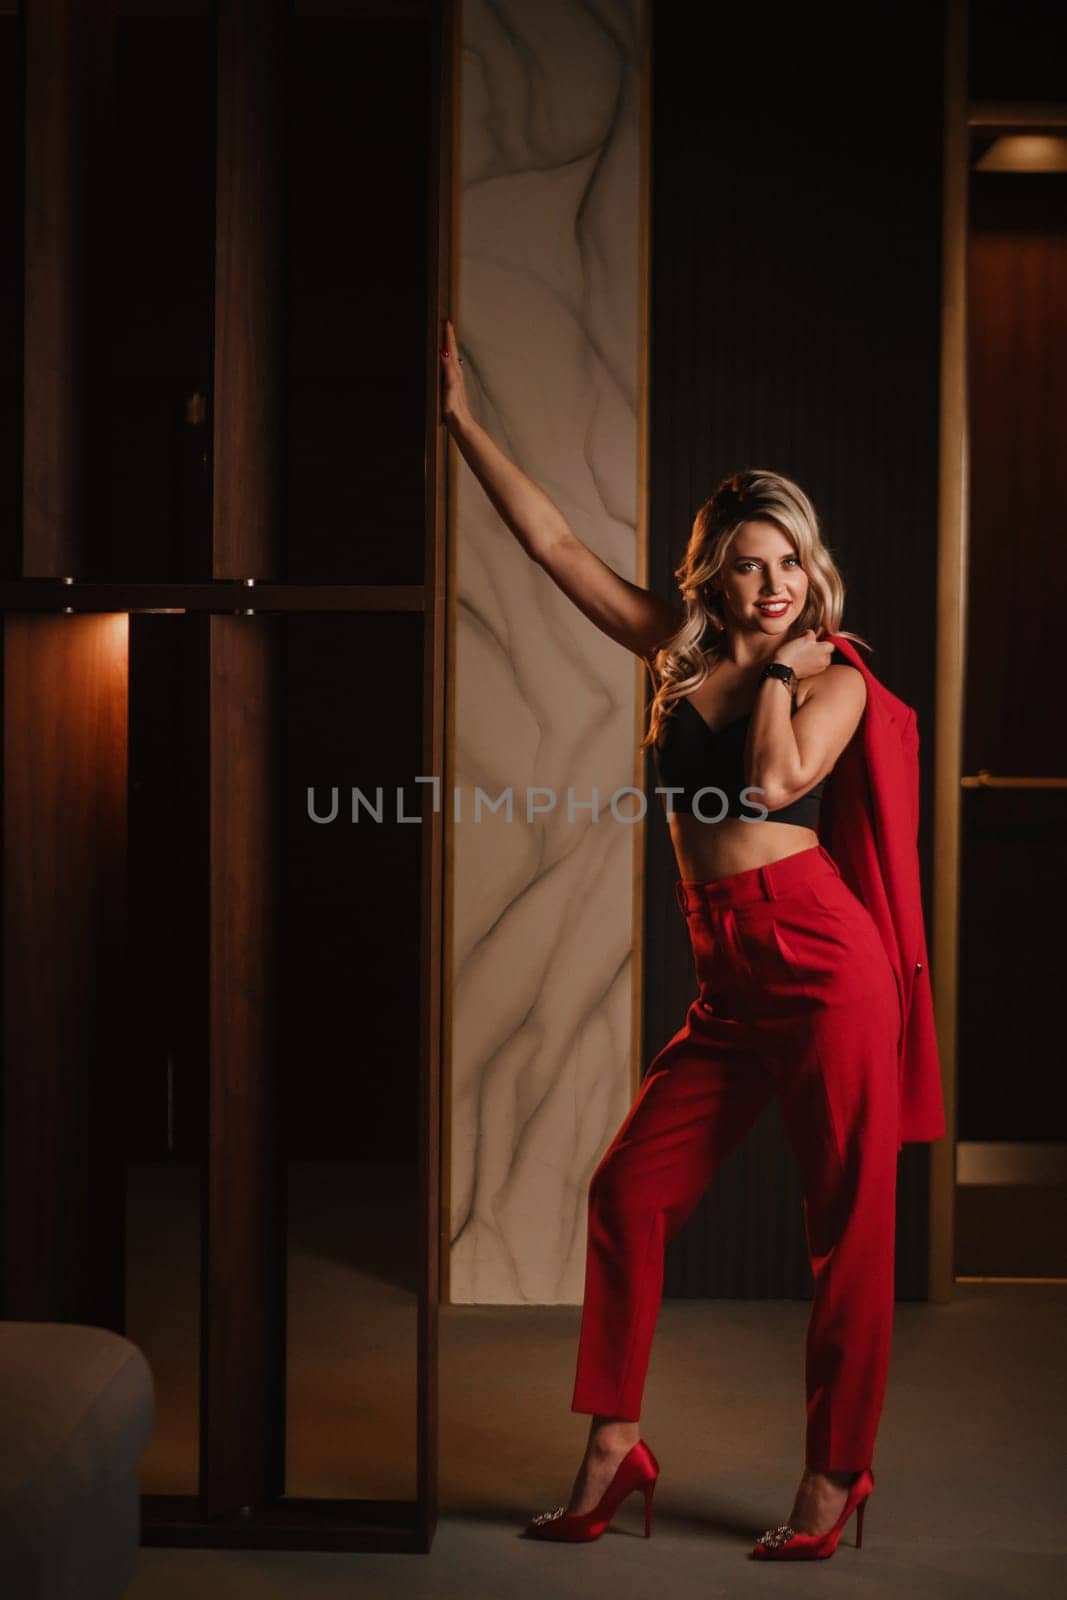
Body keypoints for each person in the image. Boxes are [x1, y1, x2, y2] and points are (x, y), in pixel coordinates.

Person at [440, 317, 908, 1561]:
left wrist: (777, 675)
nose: (772, 585)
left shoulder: (833, 679)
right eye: (750, 564)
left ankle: (834, 1475)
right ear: (710, 573)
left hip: (821, 966)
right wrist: (461, 424)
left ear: (813, 569)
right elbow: (549, 545)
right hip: (730, 976)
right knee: (624, 1191)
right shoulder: (674, 650)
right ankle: (612, 1443)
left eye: (790, 562)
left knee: (844, 1224)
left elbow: (767, 789)